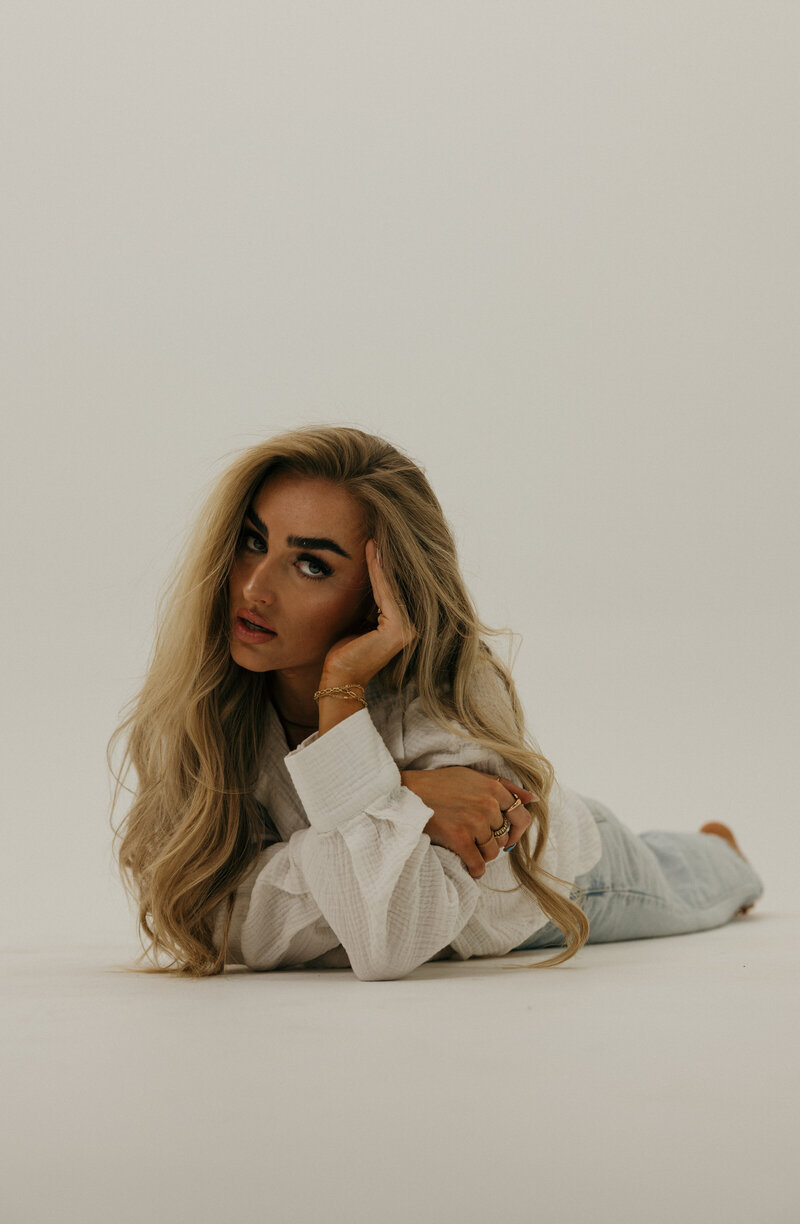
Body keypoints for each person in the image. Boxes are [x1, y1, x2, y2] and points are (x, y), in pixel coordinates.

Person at [108, 426, 764, 980]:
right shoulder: (211, 705)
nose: (254, 587)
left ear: (378, 594)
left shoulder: (449, 694)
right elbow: (208, 915)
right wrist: (408, 801)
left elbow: (384, 937)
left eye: (311, 565)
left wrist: (341, 692)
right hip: (467, 896)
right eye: (254, 541)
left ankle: (722, 849)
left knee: (693, 880)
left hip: (558, 881)